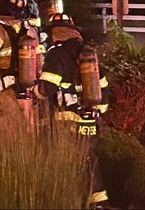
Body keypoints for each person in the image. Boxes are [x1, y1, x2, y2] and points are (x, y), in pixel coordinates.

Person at [39, 13, 109, 207]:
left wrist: (35, 92)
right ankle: (99, 202)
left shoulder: (57, 53)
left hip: (67, 120)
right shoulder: (88, 54)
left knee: (67, 162)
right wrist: (98, 112)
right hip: (91, 121)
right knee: (90, 162)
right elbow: (103, 87)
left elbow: (48, 87)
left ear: (55, 33)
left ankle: (71, 201)